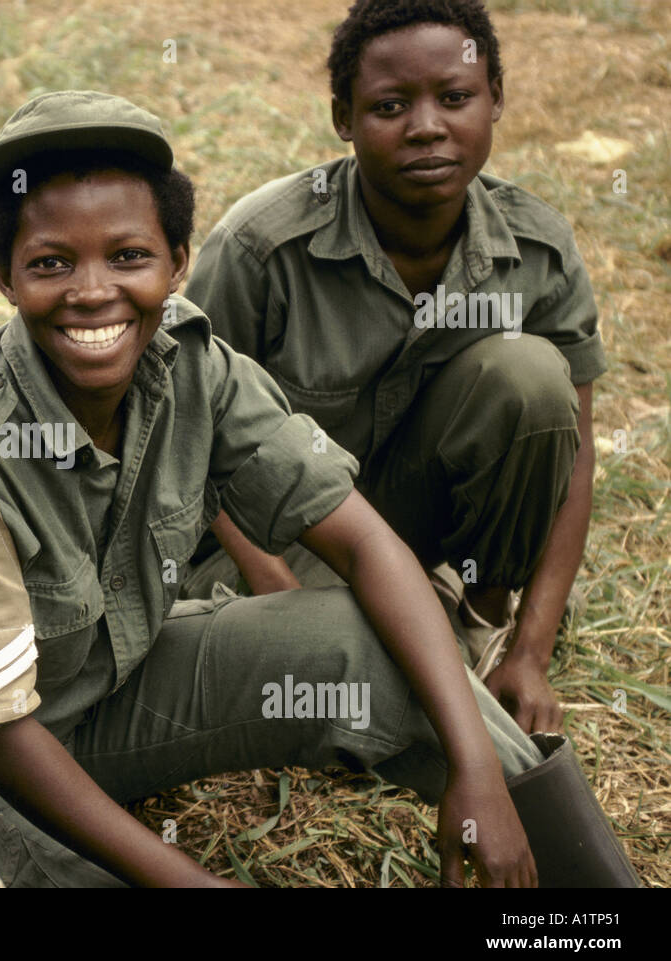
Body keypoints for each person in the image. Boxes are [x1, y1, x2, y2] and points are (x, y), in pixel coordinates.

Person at [0, 89, 639, 888]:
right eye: (51, 262)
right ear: (4, 277)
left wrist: (480, 775)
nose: (92, 292)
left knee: (355, 642)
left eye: (128, 256)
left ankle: (592, 900)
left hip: (101, 696)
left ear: (178, 263)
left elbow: (362, 544)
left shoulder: (193, 363)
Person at [184, 0, 604, 737]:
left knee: (531, 377)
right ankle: (396, 620)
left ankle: (479, 614)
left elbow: (574, 459)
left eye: (455, 97)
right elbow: (185, 428)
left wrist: (531, 654)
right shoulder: (261, 249)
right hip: (292, 539)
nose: (426, 126)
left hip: (423, 525)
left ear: (495, 100)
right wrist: (270, 579)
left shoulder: (537, 249)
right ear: (343, 118)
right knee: (305, 667)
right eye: (389, 105)